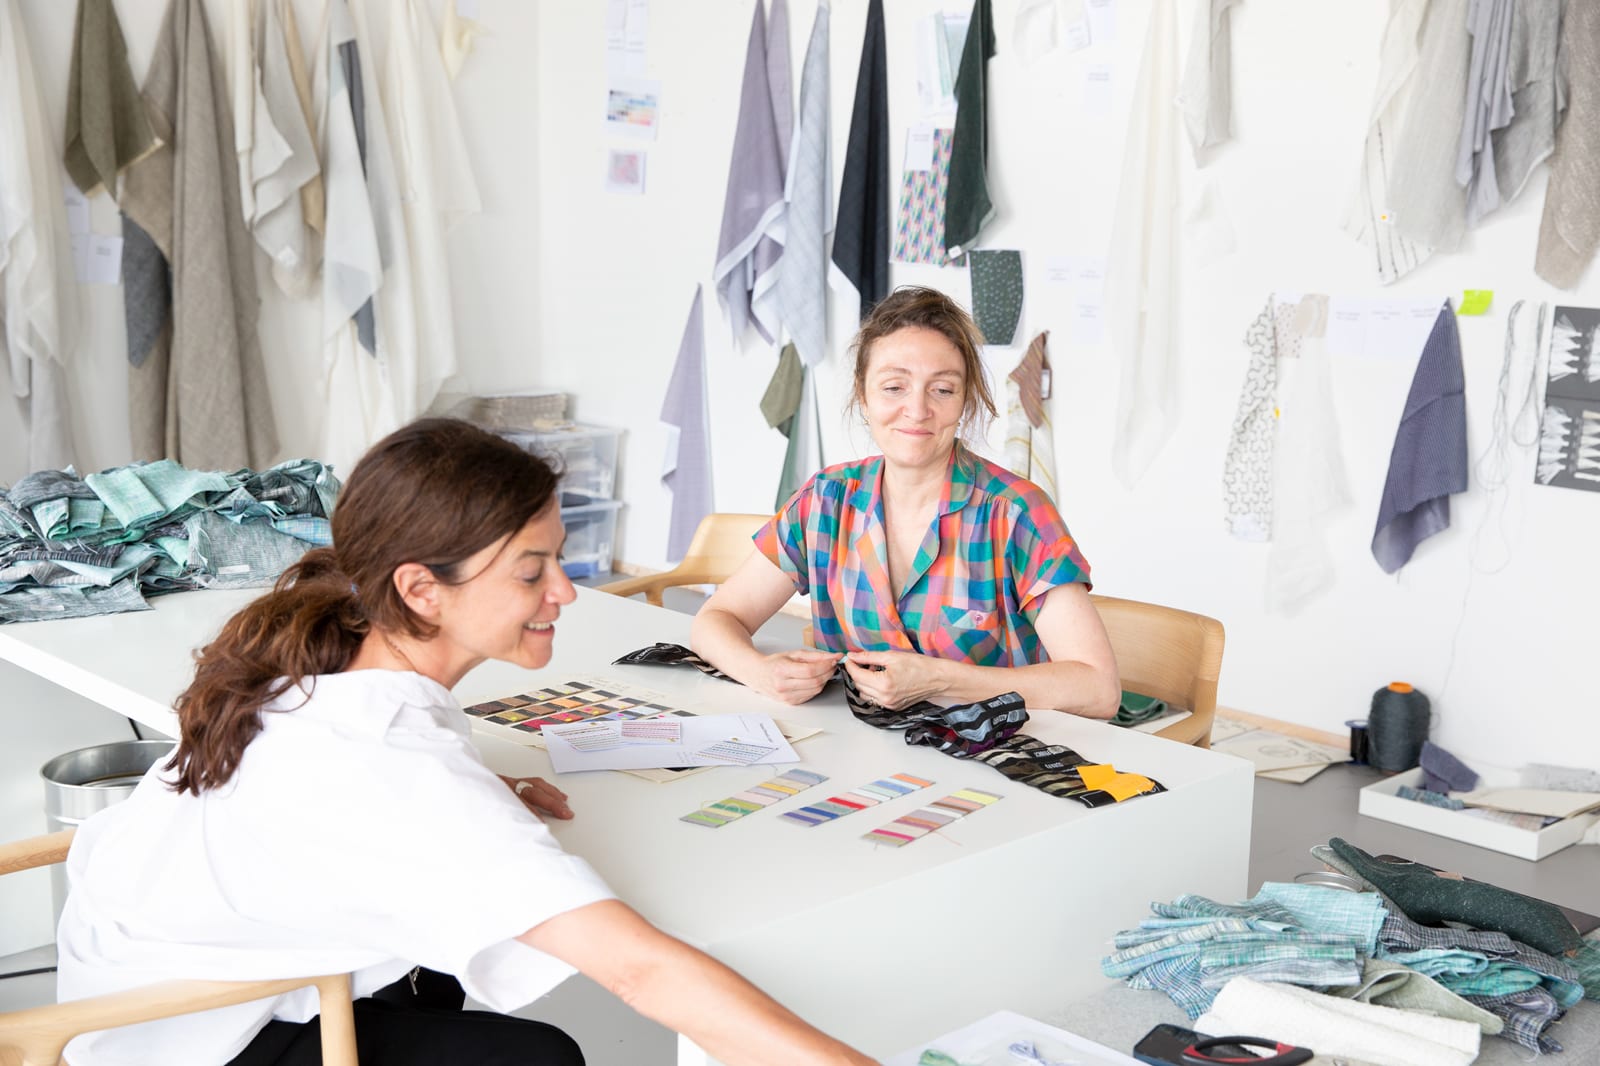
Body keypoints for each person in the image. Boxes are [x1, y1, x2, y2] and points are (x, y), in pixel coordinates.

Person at [55, 419, 874, 1066]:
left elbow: (365, 800)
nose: (566, 591)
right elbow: (639, 970)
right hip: (188, 1037)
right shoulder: (392, 767)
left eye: (557, 559)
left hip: (156, 982)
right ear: (420, 588)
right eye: (530, 572)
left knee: (438, 978)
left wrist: (476, 802)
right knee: (538, 1055)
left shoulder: (331, 656)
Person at [692, 287, 1120, 717]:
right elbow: (718, 618)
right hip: (858, 751)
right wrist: (761, 672)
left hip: (991, 757)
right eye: (894, 387)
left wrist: (941, 679)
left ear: (965, 400)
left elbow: (1098, 689)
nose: (917, 411)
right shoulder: (825, 500)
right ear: (863, 395)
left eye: (943, 390)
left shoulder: (1016, 514)